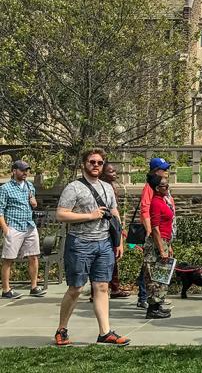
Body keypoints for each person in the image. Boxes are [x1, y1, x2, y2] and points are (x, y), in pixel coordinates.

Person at [54, 148, 129, 346]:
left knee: (102, 287)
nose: (96, 165)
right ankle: (62, 329)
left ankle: (105, 332)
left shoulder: (107, 187)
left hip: (104, 243)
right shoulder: (74, 187)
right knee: (76, 289)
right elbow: (61, 214)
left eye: (99, 163)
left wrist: (118, 240)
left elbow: (114, 213)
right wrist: (90, 215)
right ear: (84, 164)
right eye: (92, 162)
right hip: (79, 243)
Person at [0, 160, 46, 299]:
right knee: (9, 258)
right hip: (14, 226)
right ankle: (6, 289)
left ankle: (34, 287)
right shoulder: (5, 188)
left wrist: (34, 202)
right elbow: (0, 210)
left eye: (27, 170)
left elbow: (33, 203)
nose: (25, 172)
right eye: (22, 170)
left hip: (29, 225)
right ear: (14, 171)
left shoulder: (29, 186)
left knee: (33, 256)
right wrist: (6, 229)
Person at [136, 157, 174, 310]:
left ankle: (157, 299)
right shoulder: (150, 188)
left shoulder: (162, 190)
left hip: (164, 235)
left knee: (157, 270)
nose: (166, 172)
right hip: (156, 235)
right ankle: (147, 299)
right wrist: (152, 233)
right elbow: (145, 210)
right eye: (163, 169)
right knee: (150, 269)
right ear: (155, 171)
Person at [144, 175, 174, 319]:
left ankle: (158, 305)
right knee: (154, 276)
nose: (167, 188)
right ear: (157, 188)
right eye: (165, 186)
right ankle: (152, 308)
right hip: (157, 243)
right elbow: (155, 228)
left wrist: (169, 245)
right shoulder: (155, 202)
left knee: (162, 275)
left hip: (164, 241)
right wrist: (162, 249)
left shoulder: (162, 200)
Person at [99, 162, 130, 299]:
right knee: (103, 260)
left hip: (112, 227)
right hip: (102, 229)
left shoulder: (111, 187)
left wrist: (119, 228)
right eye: (111, 172)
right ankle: (97, 292)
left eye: (114, 171)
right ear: (103, 174)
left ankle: (115, 288)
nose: (114, 174)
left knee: (113, 257)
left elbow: (114, 209)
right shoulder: (100, 188)